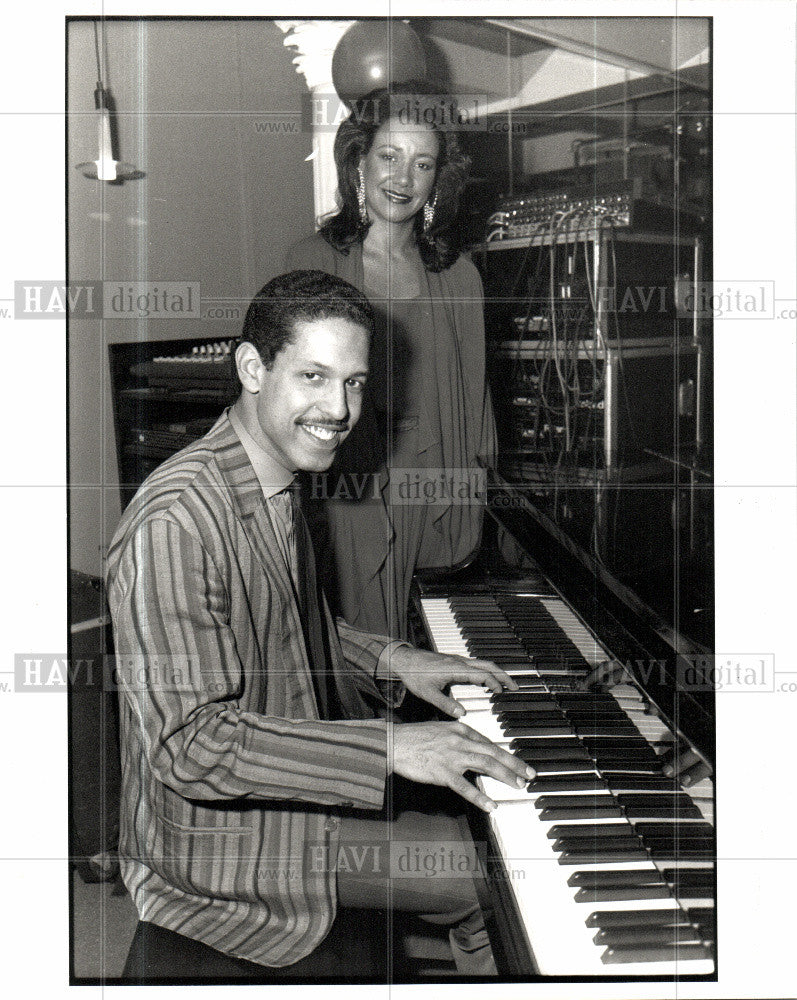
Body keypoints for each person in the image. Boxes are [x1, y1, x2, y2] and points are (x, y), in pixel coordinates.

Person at [105, 270, 533, 979]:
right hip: (221, 849)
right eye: (312, 375)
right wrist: (389, 747)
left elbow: (290, 623)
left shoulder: (272, 475)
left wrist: (394, 660)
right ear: (250, 367)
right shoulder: (175, 522)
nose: (338, 407)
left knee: (484, 823)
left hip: (283, 796)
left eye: (355, 382)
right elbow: (190, 747)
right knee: (491, 874)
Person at [287, 84, 496, 640]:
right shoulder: (311, 262)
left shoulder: (459, 275)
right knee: (357, 664)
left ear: (437, 181)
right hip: (347, 495)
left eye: (422, 163)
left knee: (442, 656)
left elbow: (476, 402)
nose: (403, 179)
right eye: (389, 155)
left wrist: (473, 489)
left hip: (439, 490)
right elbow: (284, 399)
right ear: (359, 158)